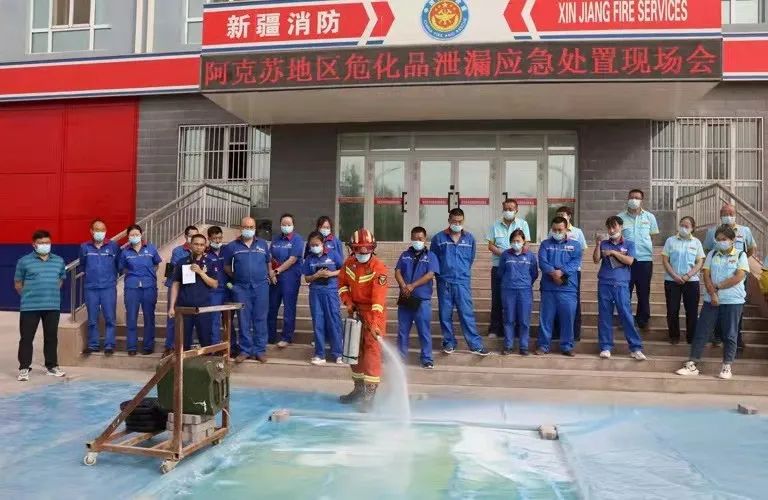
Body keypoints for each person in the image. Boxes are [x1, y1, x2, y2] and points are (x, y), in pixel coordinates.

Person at [676, 225, 750, 379]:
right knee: (701, 331)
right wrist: (712, 294)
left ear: (732, 240)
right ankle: (692, 363)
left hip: (733, 301)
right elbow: (706, 275)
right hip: (711, 300)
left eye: (724, 239)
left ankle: (727, 366)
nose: (721, 242)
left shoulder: (740, 255)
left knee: (730, 334)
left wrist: (718, 287)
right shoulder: (712, 254)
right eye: (718, 239)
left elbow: (738, 276)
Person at [337, 228, 389, 412]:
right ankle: (358, 390)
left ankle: (369, 396)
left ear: (373, 248)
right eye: (359, 249)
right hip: (355, 312)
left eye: (367, 248)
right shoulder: (348, 264)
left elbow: (378, 300)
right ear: (352, 249)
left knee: (372, 353)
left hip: (374, 313)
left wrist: (374, 323)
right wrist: (348, 302)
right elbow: (342, 285)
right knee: (354, 351)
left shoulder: (379, 268)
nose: (363, 252)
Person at [431, 208, 489, 356]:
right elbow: (433, 260)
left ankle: (475, 344)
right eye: (454, 221)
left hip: (462, 281)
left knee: (466, 313)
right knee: (445, 314)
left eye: (460, 221)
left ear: (463, 221)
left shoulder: (469, 239)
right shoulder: (438, 238)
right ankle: (449, 342)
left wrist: (462, 272)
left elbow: (470, 259)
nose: (457, 224)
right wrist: (441, 276)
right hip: (444, 281)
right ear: (449, 220)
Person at [14, 230, 67, 381]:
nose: (45, 245)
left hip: (52, 306)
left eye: (47, 242)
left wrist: (49, 294)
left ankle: (52, 366)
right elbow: (18, 284)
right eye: (41, 243)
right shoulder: (24, 261)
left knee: (51, 337)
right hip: (30, 307)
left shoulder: (59, 261)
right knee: (26, 338)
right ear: (34, 244)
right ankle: (24, 368)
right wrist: (28, 296)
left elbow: (60, 280)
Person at [703, 204, 757, 350]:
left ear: (735, 214)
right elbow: (707, 250)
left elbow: (751, 249)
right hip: (717, 276)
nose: (728, 216)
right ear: (720, 215)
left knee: (737, 307)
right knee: (717, 306)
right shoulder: (711, 232)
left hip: (737, 277)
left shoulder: (745, 231)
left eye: (731, 213)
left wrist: (739, 262)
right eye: (725, 213)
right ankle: (718, 335)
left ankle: (737, 338)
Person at [593, 217, 646, 360]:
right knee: (604, 316)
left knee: (626, 315)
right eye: (609, 228)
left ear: (621, 227)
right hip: (605, 283)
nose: (611, 230)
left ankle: (635, 348)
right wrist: (598, 244)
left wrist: (613, 253)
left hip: (621, 284)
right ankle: (605, 347)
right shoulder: (604, 243)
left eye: (614, 227)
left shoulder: (629, 244)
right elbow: (596, 260)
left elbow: (630, 261)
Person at [222, 217, 274, 364]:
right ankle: (245, 350)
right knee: (243, 320)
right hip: (241, 288)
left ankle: (259, 350)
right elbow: (226, 266)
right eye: (246, 227)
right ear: (240, 228)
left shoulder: (263, 244)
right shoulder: (232, 246)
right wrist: (238, 277)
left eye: (251, 227)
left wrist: (269, 275)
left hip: (261, 287)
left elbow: (268, 262)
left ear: (255, 228)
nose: (248, 230)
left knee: (260, 318)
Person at [536, 217, 583, 356]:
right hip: (549, 288)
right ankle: (543, 346)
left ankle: (567, 346)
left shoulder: (575, 245)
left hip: (568, 289)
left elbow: (575, 262)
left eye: (560, 230)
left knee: (568, 318)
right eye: (554, 230)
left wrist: (561, 272)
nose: (557, 232)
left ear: (566, 229)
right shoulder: (545, 244)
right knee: (546, 318)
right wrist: (553, 273)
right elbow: (542, 262)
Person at [395, 227, 440, 369]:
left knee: (424, 331)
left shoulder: (431, 256)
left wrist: (412, 286)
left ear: (425, 239)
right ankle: (400, 359)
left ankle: (427, 359)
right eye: (414, 238)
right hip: (406, 298)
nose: (417, 241)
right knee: (403, 331)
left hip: (422, 300)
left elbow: (430, 274)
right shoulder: (405, 255)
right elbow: (397, 271)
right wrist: (404, 286)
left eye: (420, 239)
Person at [486, 199, 531, 339]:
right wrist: (505, 254)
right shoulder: (495, 225)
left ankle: (516, 331)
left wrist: (515, 256)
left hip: (517, 267)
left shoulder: (523, 224)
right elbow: (490, 245)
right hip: (499, 267)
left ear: (516, 210)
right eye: (506, 209)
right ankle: (495, 329)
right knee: (497, 298)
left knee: (515, 301)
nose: (508, 211)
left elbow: (526, 245)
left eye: (511, 209)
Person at [168, 234, 219, 351]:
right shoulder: (182, 262)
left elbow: (214, 284)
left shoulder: (210, 262)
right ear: (190, 245)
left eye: (201, 245)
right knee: (183, 341)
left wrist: (201, 272)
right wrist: (171, 307)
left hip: (203, 307)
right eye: (196, 244)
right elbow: (175, 284)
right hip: (185, 307)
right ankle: (183, 361)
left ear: (205, 246)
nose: (198, 247)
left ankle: (206, 359)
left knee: (205, 340)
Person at [617, 189, 659, 329]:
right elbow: (616, 238)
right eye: (632, 197)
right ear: (627, 199)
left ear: (642, 200)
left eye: (637, 197)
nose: (634, 200)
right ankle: (625, 319)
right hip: (625, 260)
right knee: (625, 291)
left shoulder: (650, 217)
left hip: (644, 260)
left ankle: (643, 320)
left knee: (643, 291)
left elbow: (652, 237)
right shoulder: (620, 218)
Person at [662, 217, 705, 345]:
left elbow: (699, 262)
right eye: (681, 225)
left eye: (687, 226)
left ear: (692, 228)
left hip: (691, 281)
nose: (683, 228)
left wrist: (688, 275)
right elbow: (665, 260)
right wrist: (674, 275)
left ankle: (691, 337)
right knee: (672, 309)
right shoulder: (670, 241)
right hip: (671, 280)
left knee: (691, 311)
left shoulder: (696, 242)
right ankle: (674, 336)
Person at [119, 224, 162, 355]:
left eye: (136, 234)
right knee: (131, 317)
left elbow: (156, 264)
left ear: (141, 234)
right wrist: (133, 276)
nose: (134, 236)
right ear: (128, 237)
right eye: (132, 235)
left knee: (149, 317)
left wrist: (148, 275)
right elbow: (122, 268)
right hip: (132, 288)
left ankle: (148, 346)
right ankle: (132, 347)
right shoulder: (125, 252)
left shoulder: (151, 248)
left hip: (149, 287)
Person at [79, 219, 120, 356]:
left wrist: (112, 278)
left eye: (103, 230)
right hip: (91, 288)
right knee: (92, 318)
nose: (100, 232)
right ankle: (93, 344)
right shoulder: (84, 247)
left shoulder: (113, 246)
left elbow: (118, 264)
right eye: (97, 230)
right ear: (91, 231)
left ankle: (109, 345)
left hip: (108, 287)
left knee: (110, 317)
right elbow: (83, 265)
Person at [303, 231, 344, 365]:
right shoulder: (309, 259)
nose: (314, 247)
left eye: (317, 244)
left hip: (330, 292)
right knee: (318, 322)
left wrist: (330, 274)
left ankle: (338, 353)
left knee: (334, 321)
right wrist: (316, 276)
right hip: (316, 293)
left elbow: (343, 270)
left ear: (323, 243)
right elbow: (307, 278)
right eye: (312, 245)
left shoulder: (333, 254)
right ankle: (320, 354)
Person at [497, 229, 538, 356]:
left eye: (518, 241)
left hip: (525, 291)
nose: (516, 243)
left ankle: (524, 346)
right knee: (509, 319)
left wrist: (526, 282)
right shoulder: (505, 255)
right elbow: (500, 272)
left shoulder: (530, 256)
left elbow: (534, 273)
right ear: (510, 242)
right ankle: (508, 346)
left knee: (524, 320)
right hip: (508, 290)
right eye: (514, 241)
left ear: (523, 241)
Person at [268, 214, 304, 347]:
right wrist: (271, 272)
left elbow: (292, 259)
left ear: (293, 225)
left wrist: (277, 271)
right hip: (274, 279)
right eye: (284, 224)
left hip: (290, 278)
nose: (286, 226)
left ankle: (287, 337)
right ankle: (269, 336)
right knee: (271, 307)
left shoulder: (297, 239)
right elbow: (269, 257)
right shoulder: (276, 239)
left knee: (289, 308)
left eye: (289, 224)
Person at [554, 206, 587, 341]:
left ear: (569, 216)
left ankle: (575, 333)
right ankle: (556, 333)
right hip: (556, 272)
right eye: (558, 215)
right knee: (557, 302)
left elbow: (581, 251)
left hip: (573, 272)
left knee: (574, 303)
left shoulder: (577, 232)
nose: (560, 217)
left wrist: (568, 267)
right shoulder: (553, 231)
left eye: (563, 214)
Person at [164, 225, 198, 353]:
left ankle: (186, 346)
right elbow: (174, 267)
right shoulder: (178, 251)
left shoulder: (201, 251)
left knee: (189, 319)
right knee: (172, 317)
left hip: (191, 289)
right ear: (185, 236)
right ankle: (169, 347)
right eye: (190, 236)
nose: (193, 238)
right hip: (177, 286)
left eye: (195, 235)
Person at [206, 226, 228, 345]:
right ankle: (214, 346)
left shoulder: (227, 250)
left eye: (220, 238)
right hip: (213, 292)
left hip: (228, 290)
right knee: (214, 320)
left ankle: (231, 346)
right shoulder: (205, 254)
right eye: (214, 238)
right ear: (209, 238)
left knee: (228, 320)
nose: (218, 241)